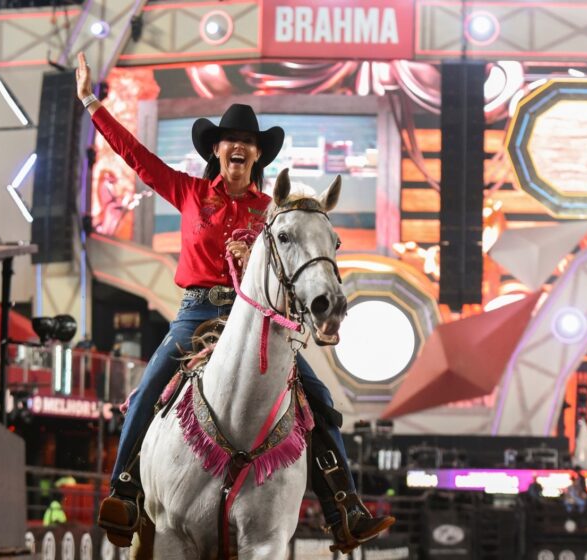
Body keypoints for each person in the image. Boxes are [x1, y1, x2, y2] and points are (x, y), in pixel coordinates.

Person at [75, 53, 393, 550]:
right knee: (147, 390)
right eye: (232, 141)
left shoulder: (272, 212)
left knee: (321, 401)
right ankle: (125, 491)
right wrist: (93, 104)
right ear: (218, 151)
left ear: (257, 157)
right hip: (198, 311)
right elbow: (136, 157)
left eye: (248, 143)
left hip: (259, 318)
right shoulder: (188, 192)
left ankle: (344, 508)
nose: (239, 147)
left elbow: (297, 253)